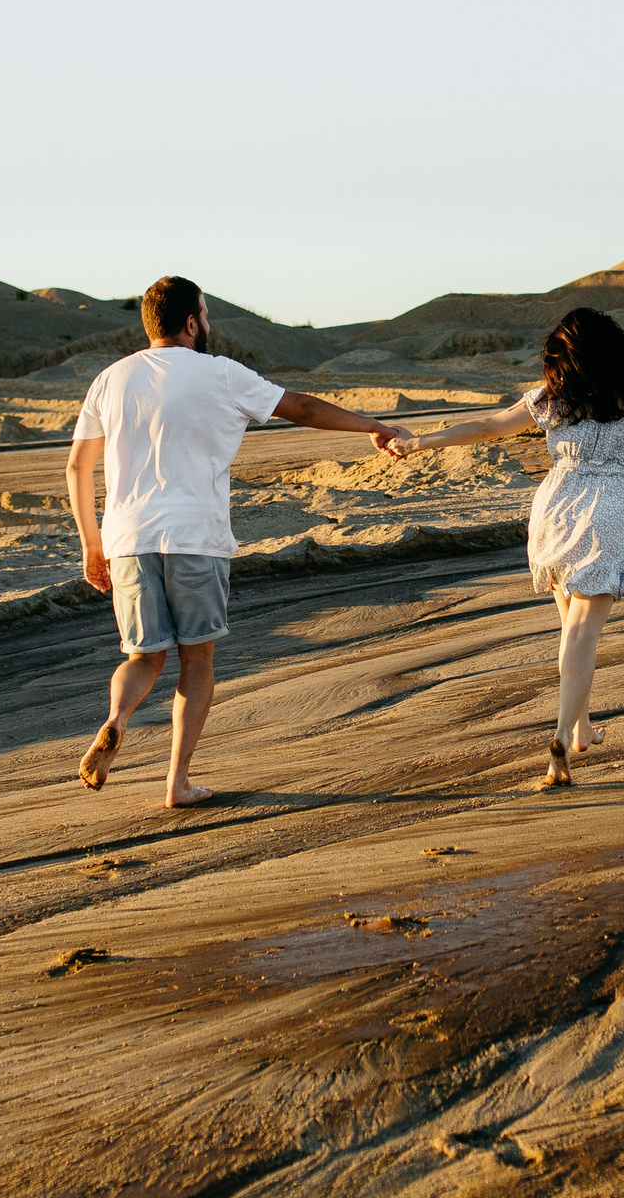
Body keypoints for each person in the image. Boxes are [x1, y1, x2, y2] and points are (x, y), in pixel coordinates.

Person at [67, 276, 399, 805]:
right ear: (192, 323)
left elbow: (77, 466)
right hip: (196, 537)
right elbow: (305, 410)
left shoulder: (111, 378)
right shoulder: (221, 374)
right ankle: (176, 783)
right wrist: (373, 426)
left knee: (143, 657)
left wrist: (91, 542)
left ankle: (115, 718)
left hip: (127, 539)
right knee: (197, 661)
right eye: (206, 314)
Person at [382, 307, 624, 789]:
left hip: (555, 507)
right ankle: (560, 735)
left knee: (570, 629)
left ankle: (580, 729)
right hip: (611, 510)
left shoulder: (555, 397)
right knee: (584, 633)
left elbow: (486, 426)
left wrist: (419, 442)